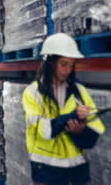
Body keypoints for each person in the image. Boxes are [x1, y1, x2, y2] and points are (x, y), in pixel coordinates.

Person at [22, 33, 105, 185]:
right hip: (46, 168)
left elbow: (94, 133)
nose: (68, 70)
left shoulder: (79, 92)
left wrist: (79, 132)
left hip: (76, 168)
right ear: (50, 62)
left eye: (71, 65)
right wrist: (72, 116)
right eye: (63, 64)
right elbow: (45, 131)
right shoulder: (32, 93)